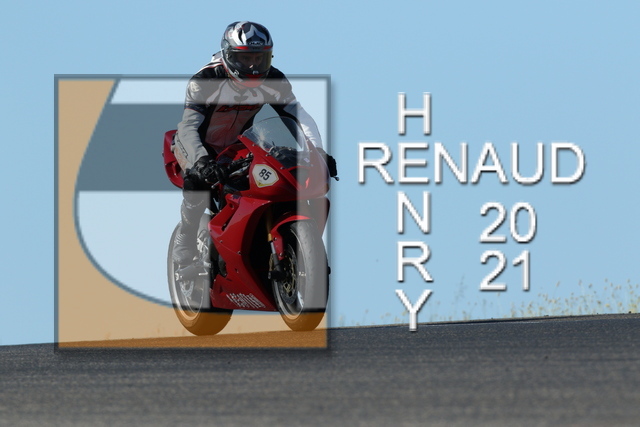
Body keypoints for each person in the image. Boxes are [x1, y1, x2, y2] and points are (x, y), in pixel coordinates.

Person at [171, 21, 337, 264]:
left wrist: (317, 151)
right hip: (198, 145)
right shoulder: (205, 80)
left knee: (278, 174)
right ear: (229, 56)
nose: (253, 66)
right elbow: (188, 127)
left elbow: (299, 116)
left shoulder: (274, 79)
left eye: (260, 58)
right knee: (198, 181)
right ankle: (184, 239)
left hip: (239, 146)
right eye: (245, 58)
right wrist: (201, 161)